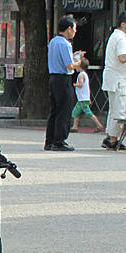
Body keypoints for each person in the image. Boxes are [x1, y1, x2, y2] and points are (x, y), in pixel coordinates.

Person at [45, 15, 83, 151]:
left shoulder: (54, 41)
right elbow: (69, 65)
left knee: (54, 109)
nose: (75, 32)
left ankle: (49, 140)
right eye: (74, 28)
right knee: (64, 110)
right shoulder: (65, 43)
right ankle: (59, 140)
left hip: (53, 77)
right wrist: (79, 62)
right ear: (68, 28)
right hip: (63, 78)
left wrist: (73, 57)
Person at [101, 11, 126, 150]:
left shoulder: (115, 36)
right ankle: (113, 139)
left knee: (113, 109)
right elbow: (122, 57)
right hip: (118, 79)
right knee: (120, 111)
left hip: (112, 78)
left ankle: (110, 136)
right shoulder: (121, 38)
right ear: (123, 24)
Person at [70, 59, 105, 133]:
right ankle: (75, 126)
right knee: (76, 112)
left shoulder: (81, 75)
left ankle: (99, 125)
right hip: (83, 98)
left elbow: (81, 84)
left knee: (88, 113)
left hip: (82, 99)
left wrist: (74, 84)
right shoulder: (85, 74)